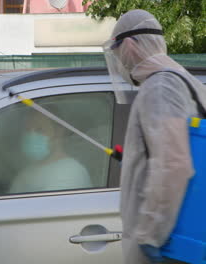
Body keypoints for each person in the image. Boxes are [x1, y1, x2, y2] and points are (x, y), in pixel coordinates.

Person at [103, 9, 206, 264]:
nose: (120, 63)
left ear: (129, 45)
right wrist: (138, 159)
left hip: (168, 243)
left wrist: (150, 235)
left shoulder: (160, 87)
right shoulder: (183, 79)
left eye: (118, 53)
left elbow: (174, 164)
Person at [9, 110, 93, 194]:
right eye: (27, 130)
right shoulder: (24, 174)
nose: (31, 136)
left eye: (39, 130)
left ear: (59, 132)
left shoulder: (71, 172)